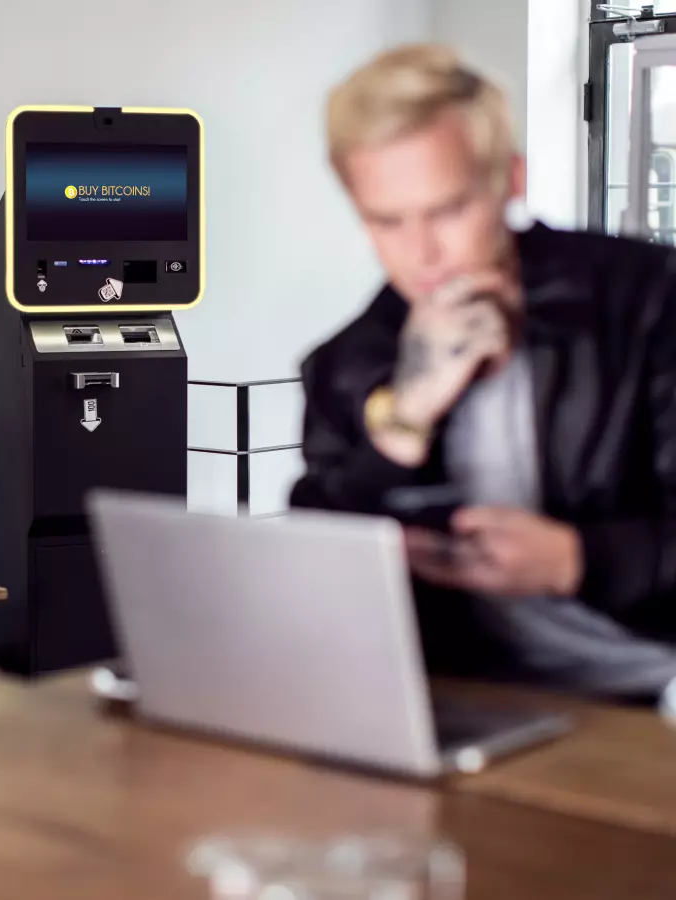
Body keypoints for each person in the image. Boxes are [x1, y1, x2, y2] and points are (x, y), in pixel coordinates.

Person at [290, 43, 676, 701]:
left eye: (448, 210)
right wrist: (402, 423)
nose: (423, 253)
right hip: (477, 699)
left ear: (511, 180)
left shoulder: (650, 302)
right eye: (388, 221)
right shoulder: (347, 363)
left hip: (656, 689)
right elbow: (316, 572)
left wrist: (575, 561)